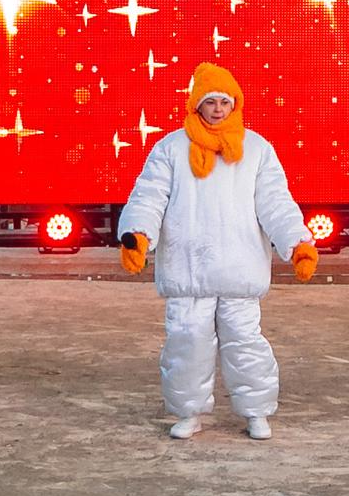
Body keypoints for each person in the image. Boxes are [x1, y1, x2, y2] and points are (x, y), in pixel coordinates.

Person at [116, 63, 318, 441]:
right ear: (197, 104)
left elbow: (275, 203)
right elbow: (149, 196)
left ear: (235, 103)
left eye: (225, 101)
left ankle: (256, 412)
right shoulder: (172, 148)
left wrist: (297, 242)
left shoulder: (256, 149)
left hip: (239, 271)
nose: (218, 109)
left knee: (245, 344)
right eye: (210, 101)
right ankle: (188, 412)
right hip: (188, 272)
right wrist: (138, 235)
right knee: (186, 344)